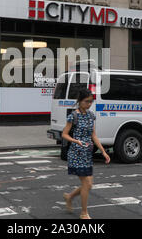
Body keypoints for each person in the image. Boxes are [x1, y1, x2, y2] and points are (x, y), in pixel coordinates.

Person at [61, 88, 110, 220]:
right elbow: (64, 134)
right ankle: (84, 213)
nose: (89, 104)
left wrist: (103, 152)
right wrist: (76, 141)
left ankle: (69, 197)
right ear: (80, 101)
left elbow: (93, 135)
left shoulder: (90, 115)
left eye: (91, 102)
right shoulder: (73, 116)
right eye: (86, 101)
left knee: (88, 185)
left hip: (87, 154)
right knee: (87, 184)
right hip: (76, 154)